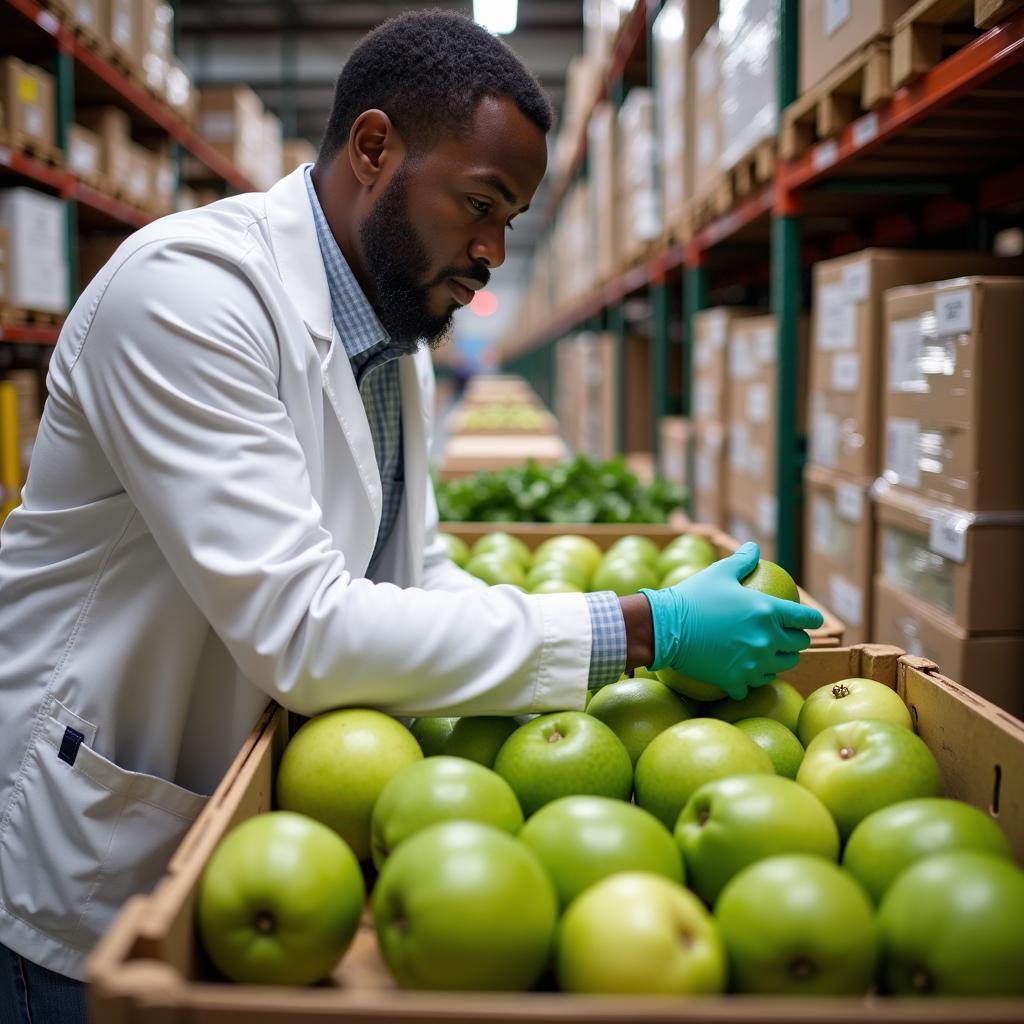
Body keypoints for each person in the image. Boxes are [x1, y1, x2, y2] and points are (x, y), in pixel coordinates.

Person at [0, 10, 822, 1019]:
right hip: (89, 854)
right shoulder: (189, 299)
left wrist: (587, 676)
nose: (493, 251)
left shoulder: (394, 338)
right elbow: (303, 627)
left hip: (251, 834)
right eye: (480, 203)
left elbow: (411, 568)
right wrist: (643, 627)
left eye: (511, 220)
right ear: (374, 147)